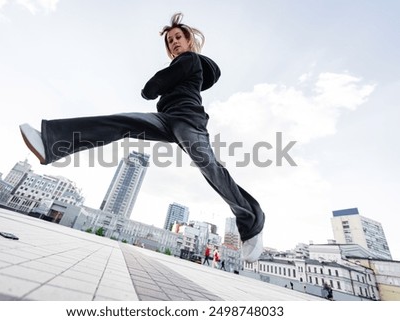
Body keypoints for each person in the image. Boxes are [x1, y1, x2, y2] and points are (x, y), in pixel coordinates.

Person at [19, 12, 265, 263]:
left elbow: (151, 88)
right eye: (170, 41)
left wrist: (153, 87)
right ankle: (51, 143)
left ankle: (252, 223)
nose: (174, 43)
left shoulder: (189, 59)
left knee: (208, 165)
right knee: (122, 122)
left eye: (178, 37)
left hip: (189, 119)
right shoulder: (184, 66)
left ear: (190, 40)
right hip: (167, 119)